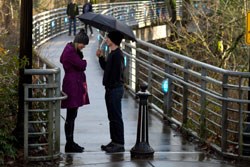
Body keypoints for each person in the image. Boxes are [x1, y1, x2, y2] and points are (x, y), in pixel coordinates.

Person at [60, 29, 90, 153]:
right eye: (83, 44)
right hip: (72, 85)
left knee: (72, 115)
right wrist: (83, 61)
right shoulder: (70, 52)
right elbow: (82, 65)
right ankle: (69, 144)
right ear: (78, 42)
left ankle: (71, 142)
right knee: (71, 116)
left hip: (74, 84)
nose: (83, 47)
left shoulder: (72, 50)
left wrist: (80, 57)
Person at [96, 31, 125, 153]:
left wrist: (111, 83)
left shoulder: (118, 55)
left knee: (116, 116)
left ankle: (119, 143)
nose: (106, 39)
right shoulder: (112, 53)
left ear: (113, 40)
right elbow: (106, 68)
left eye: (108, 38)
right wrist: (101, 57)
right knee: (111, 116)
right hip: (110, 89)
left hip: (115, 89)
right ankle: (114, 141)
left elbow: (117, 74)